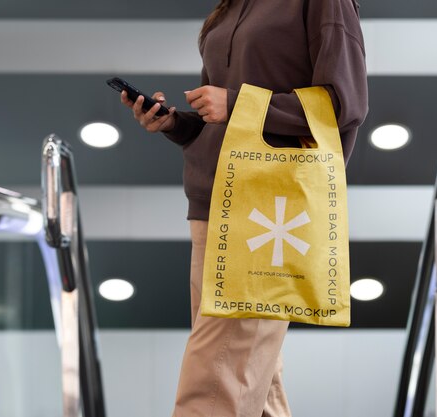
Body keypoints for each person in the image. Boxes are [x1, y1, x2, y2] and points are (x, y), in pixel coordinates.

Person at [120, 1, 368, 415]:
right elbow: (220, 117)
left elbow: (344, 103)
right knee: (252, 378)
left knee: (216, 381)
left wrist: (238, 103)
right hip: (211, 201)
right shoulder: (231, 6)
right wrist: (176, 123)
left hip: (267, 210)